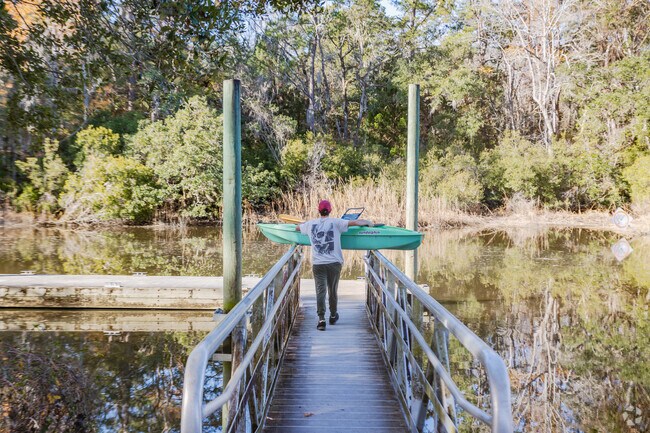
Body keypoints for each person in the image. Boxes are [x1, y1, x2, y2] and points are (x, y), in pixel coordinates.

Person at [298, 200, 373, 331]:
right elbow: (356, 222)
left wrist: (301, 224)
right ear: (330, 210)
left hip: (318, 264)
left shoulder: (310, 224)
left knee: (320, 291)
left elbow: (297, 228)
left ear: (318, 210)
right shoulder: (337, 222)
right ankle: (333, 316)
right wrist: (368, 222)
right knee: (332, 291)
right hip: (334, 263)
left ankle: (321, 319)